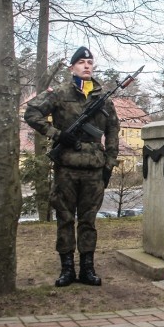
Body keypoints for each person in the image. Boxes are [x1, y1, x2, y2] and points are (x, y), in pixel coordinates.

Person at [24, 47, 119, 287]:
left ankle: (87, 268)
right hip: (66, 166)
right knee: (65, 218)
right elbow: (32, 113)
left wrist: (109, 162)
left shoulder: (103, 98)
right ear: (72, 67)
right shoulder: (59, 93)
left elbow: (112, 132)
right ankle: (67, 269)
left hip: (94, 169)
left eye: (89, 62)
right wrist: (57, 134)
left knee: (88, 220)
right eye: (81, 62)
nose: (86, 66)